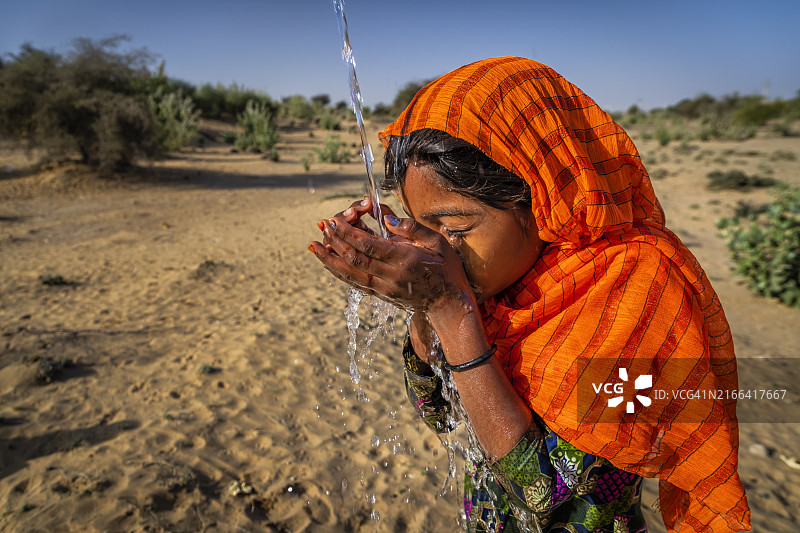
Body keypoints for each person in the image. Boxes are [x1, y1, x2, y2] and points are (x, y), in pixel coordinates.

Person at [308, 57, 751, 532]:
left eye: (454, 227)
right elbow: (439, 412)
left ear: (540, 196)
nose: (439, 249)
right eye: (423, 228)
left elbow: (545, 493)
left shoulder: (634, 292)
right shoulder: (491, 285)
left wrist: (450, 310)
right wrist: (422, 305)